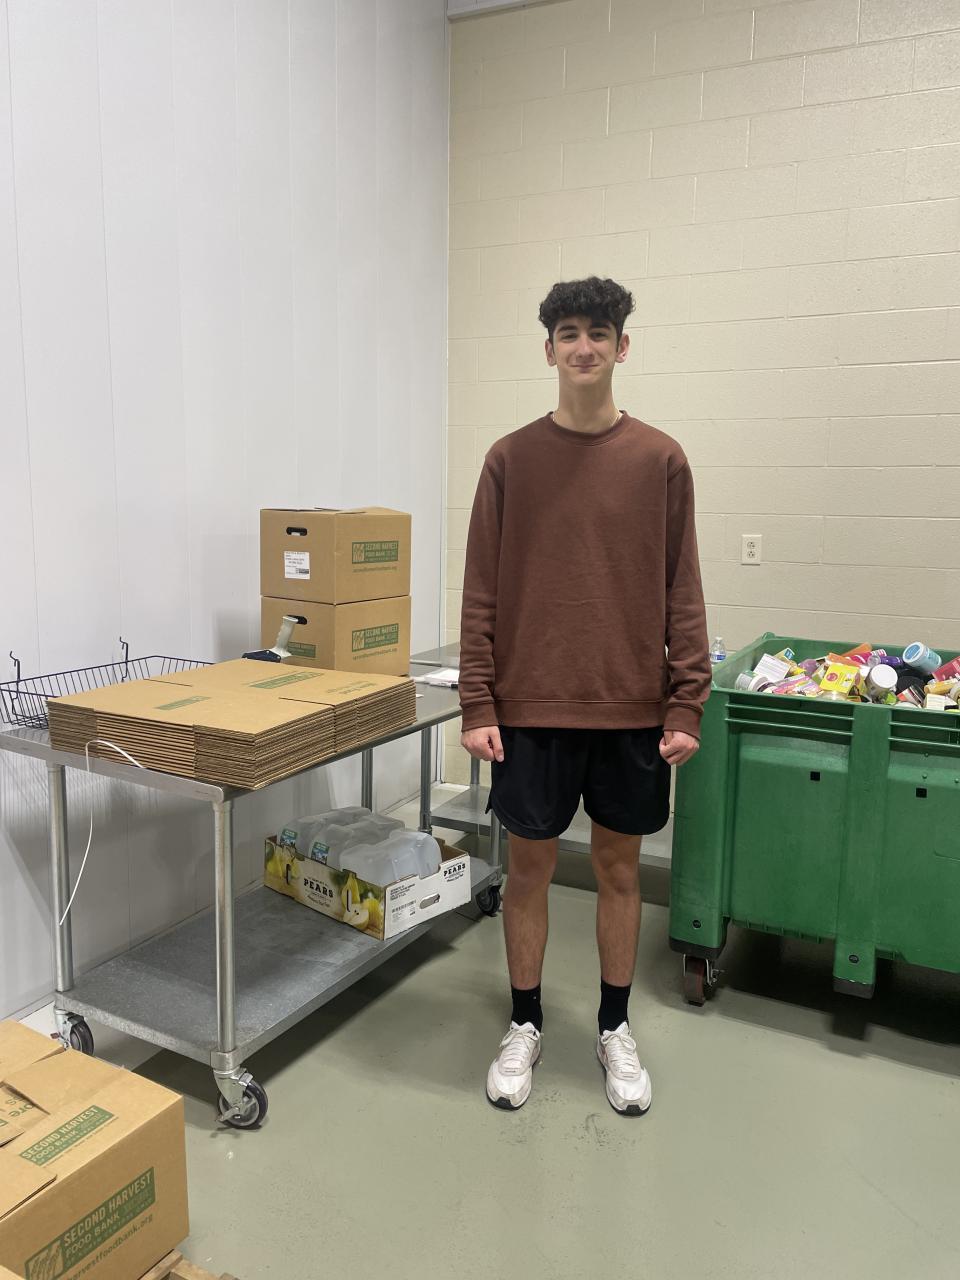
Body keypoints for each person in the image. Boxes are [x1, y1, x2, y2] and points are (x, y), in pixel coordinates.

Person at [458, 276, 710, 1116]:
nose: (584, 346)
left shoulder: (660, 460)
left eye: (599, 332)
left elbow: (683, 589)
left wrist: (686, 700)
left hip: (630, 708)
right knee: (528, 869)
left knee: (618, 869)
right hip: (530, 708)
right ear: (549, 350)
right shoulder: (509, 460)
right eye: (569, 333)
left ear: (622, 347)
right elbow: (481, 591)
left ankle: (613, 1027)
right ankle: (525, 1021)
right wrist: (478, 702)